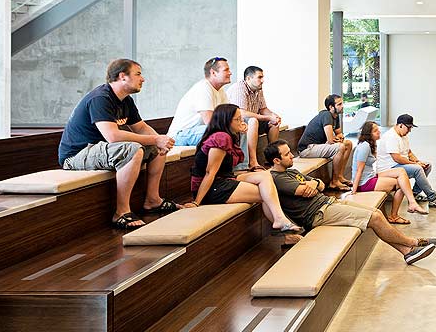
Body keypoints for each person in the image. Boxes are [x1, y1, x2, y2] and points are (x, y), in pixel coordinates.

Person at [268, 140, 436, 265]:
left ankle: (407, 252)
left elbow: (319, 184)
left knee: (377, 213)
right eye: (286, 154)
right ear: (276, 160)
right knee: (375, 218)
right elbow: (302, 191)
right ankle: (413, 243)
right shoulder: (277, 178)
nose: (292, 155)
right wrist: (312, 185)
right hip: (318, 214)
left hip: (327, 202)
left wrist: (313, 184)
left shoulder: (292, 171)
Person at [57, 58, 179, 230]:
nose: (142, 79)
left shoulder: (126, 100)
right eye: (138, 74)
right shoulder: (101, 98)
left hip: (101, 149)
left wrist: (161, 141)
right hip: (77, 154)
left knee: (156, 148)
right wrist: (156, 139)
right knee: (133, 149)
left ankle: (152, 200)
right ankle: (121, 212)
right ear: (122, 76)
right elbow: (113, 136)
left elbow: (141, 127)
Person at [184, 104, 301, 237]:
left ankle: (281, 222)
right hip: (212, 188)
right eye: (238, 119)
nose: (242, 122)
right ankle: (285, 229)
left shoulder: (228, 135)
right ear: (226, 121)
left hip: (223, 179)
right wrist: (196, 202)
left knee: (264, 176)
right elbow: (210, 172)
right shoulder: (220, 138)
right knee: (267, 194)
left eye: (241, 118)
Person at [353, 121, 428, 221]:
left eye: (378, 130)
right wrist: (354, 191)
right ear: (368, 134)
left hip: (371, 176)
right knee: (401, 185)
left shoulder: (370, 144)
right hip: (364, 183)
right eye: (375, 131)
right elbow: (359, 170)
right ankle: (395, 215)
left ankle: (411, 203)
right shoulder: (365, 147)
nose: (379, 132)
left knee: (401, 172)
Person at [375, 115, 436, 208]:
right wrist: (415, 164)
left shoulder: (403, 136)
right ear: (400, 125)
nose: (410, 130)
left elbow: (409, 152)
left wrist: (418, 161)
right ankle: (433, 198)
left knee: (427, 166)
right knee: (417, 169)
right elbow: (397, 158)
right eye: (409, 127)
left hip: (399, 165)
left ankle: (415, 193)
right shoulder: (391, 137)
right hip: (389, 168)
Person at [225, 65, 283, 172]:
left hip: (252, 121)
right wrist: (267, 117)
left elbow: (263, 109)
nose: (262, 80)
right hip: (237, 123)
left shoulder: (258, 89)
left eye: (262, 77)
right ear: (248, 79)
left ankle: (271, 158)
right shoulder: (239, 88)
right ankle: (253, 161)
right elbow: (242, 113)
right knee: (253, 121)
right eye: (259, 77)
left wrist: (273, 116)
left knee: (273, 123)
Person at [171, 57, 234, 149]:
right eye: (226, 70)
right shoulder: (203, 88)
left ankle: (244, 163)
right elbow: (210, 122)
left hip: (199, 132)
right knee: (220, 132)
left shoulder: (220, 91)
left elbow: (230, 115)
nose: (230, 73)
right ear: (213, 73)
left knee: (241, 127)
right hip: (180, 136)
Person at [298, 94, 353, 190]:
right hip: (307, 149)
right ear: (331, 107)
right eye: (339, 104)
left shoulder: (335, 117)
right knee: (340, 147)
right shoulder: (326, 115)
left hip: (318, 146)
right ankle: (334, 182)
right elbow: (331, 140)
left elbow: (339, 134)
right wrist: (337, 139)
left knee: (348, 144)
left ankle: (339, 176)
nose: (342, 106)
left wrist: (339, 138)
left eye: (342, 103)